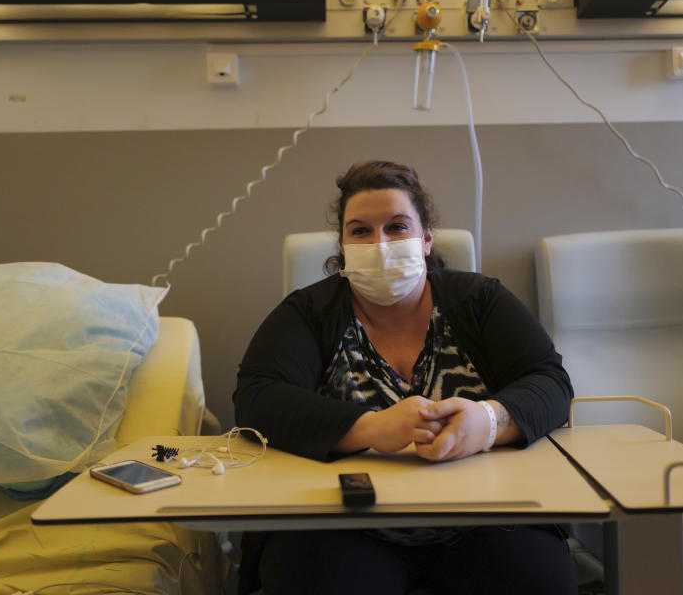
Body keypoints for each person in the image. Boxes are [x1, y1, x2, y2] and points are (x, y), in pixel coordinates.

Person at [233, 160, 576, 595]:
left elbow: (550, 381)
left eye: (397, 227)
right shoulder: (308, 313)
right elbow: (257, 397)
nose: (379, 244)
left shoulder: (480, 301)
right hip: (346, 528)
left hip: (487, 520)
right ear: (342, 244)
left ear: (426, 238)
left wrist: (488, 422)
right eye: (360, 231)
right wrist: (370, 428)